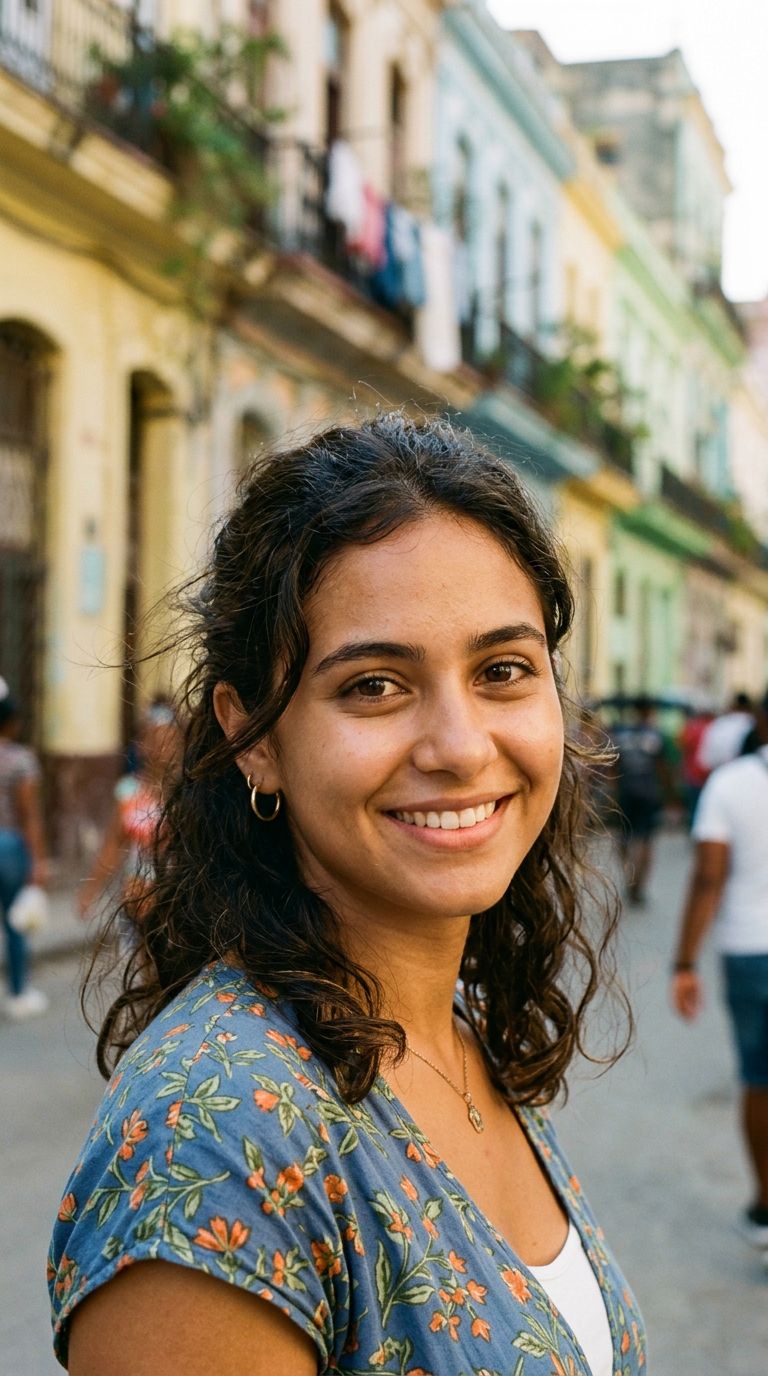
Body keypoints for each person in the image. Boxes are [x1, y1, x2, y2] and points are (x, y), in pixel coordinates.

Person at [49, 415, 645, 1375]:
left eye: (502, 671)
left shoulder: (454, 1028)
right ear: (255, 738)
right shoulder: (217, 1147)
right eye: (373, 686)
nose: (459, 746)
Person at [671, 686, 768, 1255]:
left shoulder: (730, 785)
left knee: (759, 1078)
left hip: (749, 950)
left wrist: (684, 961)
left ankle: (764, 1206)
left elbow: (708, 877)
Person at [77, 703, 181, 927]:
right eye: (157, 738)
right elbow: (112, 845)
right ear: (142, 745)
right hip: (134, 899)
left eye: (170, 739)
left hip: (174, 905)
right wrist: (90, 891)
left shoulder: (186, 797)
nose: (164, 746)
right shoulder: (128, 793)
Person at [0, 690, 50, 1019]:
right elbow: (29, 813)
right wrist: (39, 859)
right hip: (8, 845)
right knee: (15, 922)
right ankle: (18, 993)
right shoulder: (21, 760)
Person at [611, 695, 668, 905]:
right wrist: (670, 796)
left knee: (624, 838)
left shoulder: (621, 734)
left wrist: (613, 790)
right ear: (649, 712)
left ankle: (630, 876)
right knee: (646, 839)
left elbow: (613, 767)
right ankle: (640, 885)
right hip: (649, 792)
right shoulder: (655, 735)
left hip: (626, 791)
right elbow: (662, 768)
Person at [696, 691, 754, 774]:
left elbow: (705, 761)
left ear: (732, 706)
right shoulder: (753, 725)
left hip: (719, 773)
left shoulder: (718, 724)